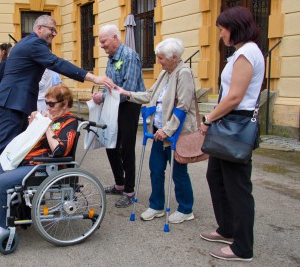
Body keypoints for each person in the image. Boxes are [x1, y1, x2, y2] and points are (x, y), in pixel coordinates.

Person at [0, 15, 115, 215]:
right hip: (13, 104)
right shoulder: (36, 44)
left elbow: (1, 74)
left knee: (16, 149)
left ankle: (8, 197)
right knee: (5, 150)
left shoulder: (23, 44)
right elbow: (57, 63)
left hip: (12, 101)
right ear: (39, 28)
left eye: (55, 31)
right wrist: (92, 77)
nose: (54, 34)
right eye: (51, 30)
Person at [199, 7, 264, 262]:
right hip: (228, 123)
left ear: (235, 27)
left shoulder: (247, 52)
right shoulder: (241, 52)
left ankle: (243, 247)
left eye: (223, 29)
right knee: (216, 176)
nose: (221, 34)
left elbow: (235, 97)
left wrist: (208, 118)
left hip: (235, 124)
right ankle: (226, 228)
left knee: (237, 187)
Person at [0, 84, 78, 245]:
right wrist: (33, 126)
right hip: (27, 161)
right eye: (47, 103)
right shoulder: (50, 119)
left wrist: (46, 126)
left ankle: (3, 227)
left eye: (52, 104)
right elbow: (27, 142)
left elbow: (61, 150)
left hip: (44, 167)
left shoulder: (69, 122)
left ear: (65, 104)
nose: (48, 107)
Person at [114, 38, 197, 221]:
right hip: (158, 131)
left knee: (178, 172)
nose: (158, 61)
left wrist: (168, 130)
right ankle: (156, 206)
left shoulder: (183, 73)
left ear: (174, 57)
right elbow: (150, 94)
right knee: (156, 168)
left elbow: (183, 106)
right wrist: (127, 94)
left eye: (161, 58)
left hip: (175, 134)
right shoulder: (165, 73)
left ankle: (186, 209)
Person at [92, 24, 144, 208]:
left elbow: (126, 89)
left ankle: (129, 191)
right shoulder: (111, 58)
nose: (102, 46)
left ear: (115, 37)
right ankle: (119, 184)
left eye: (104, 41)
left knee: (127, 147)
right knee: (110, 143)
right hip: (113, 104)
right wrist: (101, 95)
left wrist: (103, 96)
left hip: (129, 104)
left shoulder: (129, 56)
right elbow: (109, 85)